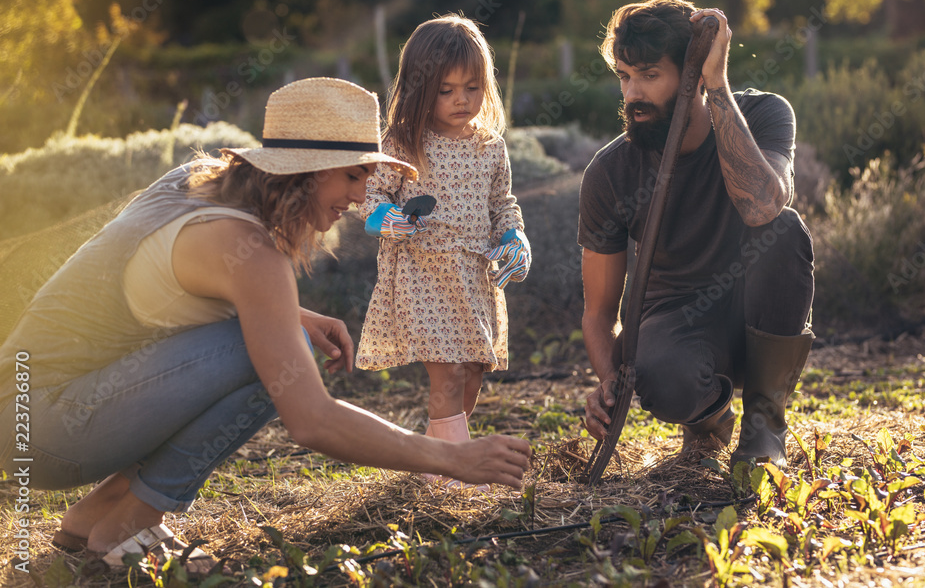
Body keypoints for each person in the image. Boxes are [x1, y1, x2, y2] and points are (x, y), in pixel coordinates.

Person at [0, 78, 531, 575]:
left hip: (22, 411)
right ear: (302, 170)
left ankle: (99, 513)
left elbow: (151, 283)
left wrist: (290, 313)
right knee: (276, 357)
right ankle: (126, 527)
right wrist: (451, 457)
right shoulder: (248, 253)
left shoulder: (194, 184)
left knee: (282, 336)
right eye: (352, 175)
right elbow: (312, 420)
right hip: (47, 429)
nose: (357, 198)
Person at [578, 0, 815, 468]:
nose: (632, 95)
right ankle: (709, 418)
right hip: (675, 318)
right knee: (663, 377)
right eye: (625, 76)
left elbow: (762, 205)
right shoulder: (610, 172)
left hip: (758, 310)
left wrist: (717, 86)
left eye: (649, 75)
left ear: (692, 73)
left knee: (783, 230)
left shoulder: (766, 115)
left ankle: (764, 425)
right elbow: (600, 310)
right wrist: (608, 380)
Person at [356, 15, 531, 488]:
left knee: (471, 372)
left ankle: (435, 465)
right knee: (448, 376)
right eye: (446, 89)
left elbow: (503, 204)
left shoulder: (490, 146)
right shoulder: (403, 143)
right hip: (424, 272)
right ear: (420, 87)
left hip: (474, 273)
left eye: (472, 87)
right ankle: (455, 476)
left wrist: (515, 237)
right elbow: (371, 199)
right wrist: (386, 220)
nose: (461, 100)